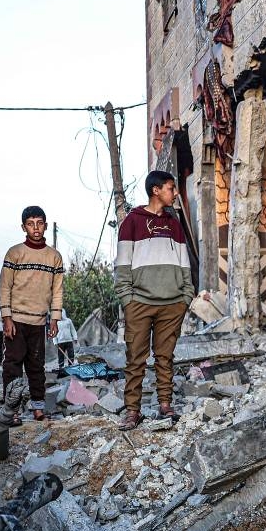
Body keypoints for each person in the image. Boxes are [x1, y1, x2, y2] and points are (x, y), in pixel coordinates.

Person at [115, 170, 194, 430]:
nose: (175, 193)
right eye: (171, 188)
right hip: (139, 303)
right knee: (135, 359)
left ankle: (165, 405)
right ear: (156, 190)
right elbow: (123, 265)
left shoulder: (174, 224)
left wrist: (186, 297)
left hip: (172, 304)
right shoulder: (132, 222)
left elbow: (185, 264)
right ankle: (133, 411)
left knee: (165, 357)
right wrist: (128, 299)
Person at [0, 206, 64, 422]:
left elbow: (57, 290)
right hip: (16, 320)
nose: (35, 228)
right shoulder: (15, 253)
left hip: (39, 321)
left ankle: (38, 408)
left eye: (39, 223)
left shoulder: (54, 257)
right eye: (30, 223)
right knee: (13, 365)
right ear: (23, 227)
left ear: (45, 225)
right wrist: (7, 317)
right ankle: (12, 411)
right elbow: (5, 287)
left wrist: (54, 318)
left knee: (37, 366)